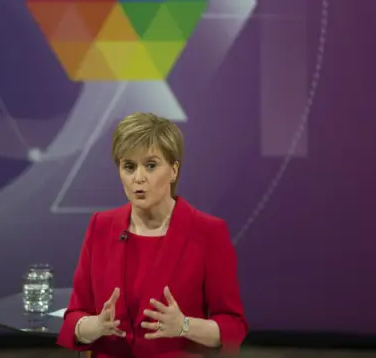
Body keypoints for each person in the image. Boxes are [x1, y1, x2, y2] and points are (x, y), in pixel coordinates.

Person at [57, 112, 248, 357]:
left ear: (173, 170)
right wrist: (95, 326)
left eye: (150, 165)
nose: (138, 178)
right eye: (129, 166)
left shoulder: (208, 233)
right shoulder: (100, 226)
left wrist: (184, 326)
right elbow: (75, 316)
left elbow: (233, 325)